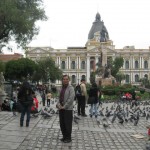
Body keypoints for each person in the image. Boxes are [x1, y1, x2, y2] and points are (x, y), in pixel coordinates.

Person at [56, 75, 75, 143]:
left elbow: (71, 99)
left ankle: (68, 138)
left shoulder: (71, 88)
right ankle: (64, 136)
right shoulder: (61, 88)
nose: (65, 80)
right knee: (62, 123)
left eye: (66, 79)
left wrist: (64, 106)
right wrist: (58, 105)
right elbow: (58, 97)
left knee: (67, 124)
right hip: (61, 109)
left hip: (68, 109)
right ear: (62, 80)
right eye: (64, 79)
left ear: (69, 80)